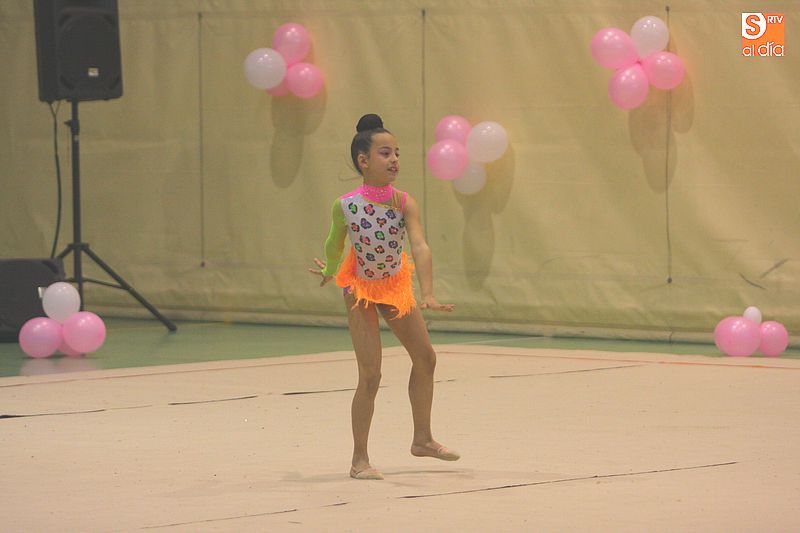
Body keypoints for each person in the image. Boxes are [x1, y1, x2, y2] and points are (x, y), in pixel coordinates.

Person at [309, 113, 460, 480]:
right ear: (363, 160)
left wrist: (428, 292)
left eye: (397, 153)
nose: (394, 160)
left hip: (393, 285)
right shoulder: (346, 205)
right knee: (371, 374)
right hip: (360, 289)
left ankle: (422, 439)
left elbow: (420, 246)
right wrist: (331, 270)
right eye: (385, 153)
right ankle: (359, 459)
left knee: (426, 357)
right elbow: (334, 243)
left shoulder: (403, 202)